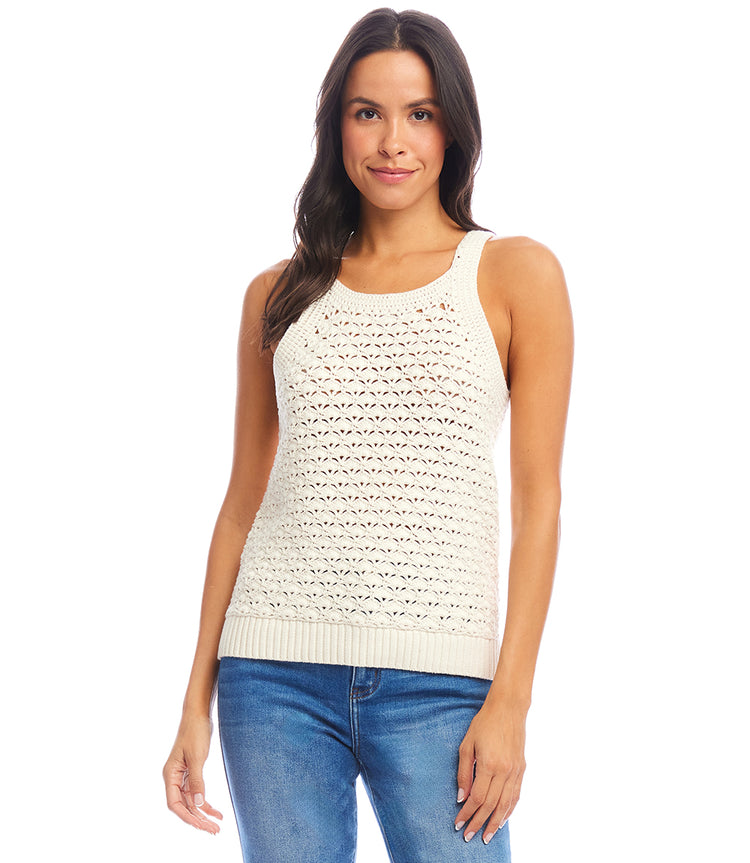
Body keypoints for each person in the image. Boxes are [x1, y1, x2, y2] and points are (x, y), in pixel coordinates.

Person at [162, 7, 573, 862]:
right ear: (336, 127)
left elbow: (539, 505)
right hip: (270, 677)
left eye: (420, 113)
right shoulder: (278, 294)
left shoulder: (514, 275)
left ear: (453, 129)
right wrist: (194, 701)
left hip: (442, 687)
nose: (393, 142)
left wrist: (512, 701)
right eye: (367, 112)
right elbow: (240, 505)